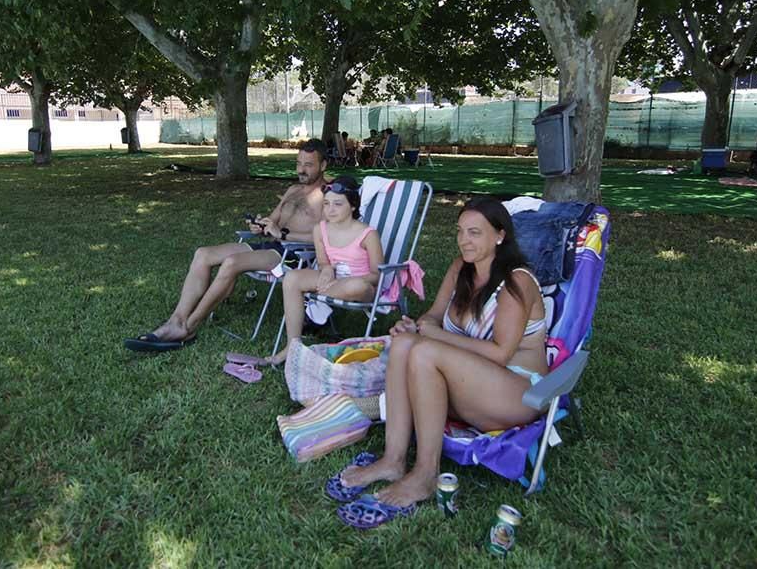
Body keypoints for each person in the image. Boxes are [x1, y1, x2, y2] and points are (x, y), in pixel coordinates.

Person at [338, 197, 547, 512]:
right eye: (460, 231)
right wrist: (418, 326)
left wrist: (434, 336)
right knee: (406, 343)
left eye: (475, 232)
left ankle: (425, 474)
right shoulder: (460, 269)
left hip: (517, 392)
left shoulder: (516, 281)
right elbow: (433, 317)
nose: (464, 240)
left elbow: (501, 353)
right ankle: (393, 460)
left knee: (423, 352)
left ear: (500, 235)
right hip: (472, 386)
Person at [124, 139, 328, 352]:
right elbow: (274, 219)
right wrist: (262, 224)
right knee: (202, 254)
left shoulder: (328, 196)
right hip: (270, 245)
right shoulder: (293, 189)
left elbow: (327, 238)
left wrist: (284, 233)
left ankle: (188, 327)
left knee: (231, 263)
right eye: (298, 163)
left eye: (308, 165)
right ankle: (176, 320)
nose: (301, 170)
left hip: (294, 255)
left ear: (323, 166)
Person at [279, 177, 383, 361]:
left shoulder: (368, 234)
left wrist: (338, 282)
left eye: (338, 204)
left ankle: (318, 301)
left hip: (359, 285)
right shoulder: (321, 229)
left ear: (352, 206)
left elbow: (377, 275)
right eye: (326, 204)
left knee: (356, 286)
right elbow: (324, 262)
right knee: (291, 278)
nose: (330, 209)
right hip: (331, 281)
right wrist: (326, 270)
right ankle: (292, 346)